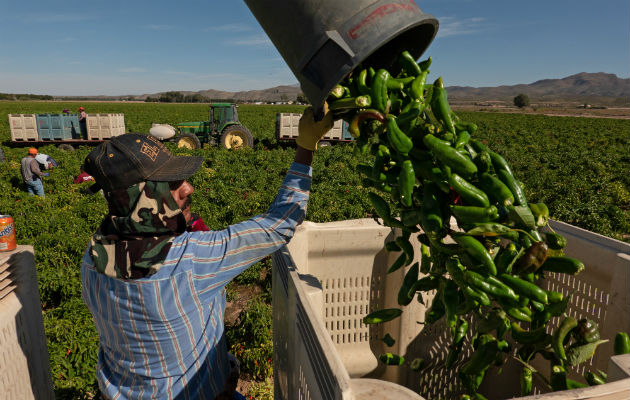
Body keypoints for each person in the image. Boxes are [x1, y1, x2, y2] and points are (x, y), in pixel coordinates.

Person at [80, 105, 334, 400]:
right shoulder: (190, 261)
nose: (188, 188)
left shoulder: (93, 256)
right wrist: (305, 148)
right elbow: (279, 224)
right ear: (141, 198)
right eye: (171, 184)